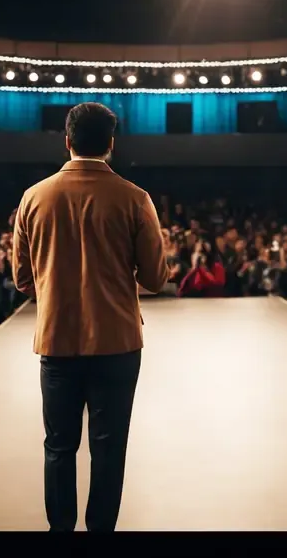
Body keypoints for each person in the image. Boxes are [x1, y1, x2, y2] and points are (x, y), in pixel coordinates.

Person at [12, 102, 169, 532]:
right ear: (111, 145)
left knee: (58, 447)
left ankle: (59, 531)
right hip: (117, 343)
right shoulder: (135, 199)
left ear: (67, 142)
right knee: (109, 448)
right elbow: (156, 278)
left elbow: (23, 279)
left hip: (57, 342)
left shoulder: (33, 198)